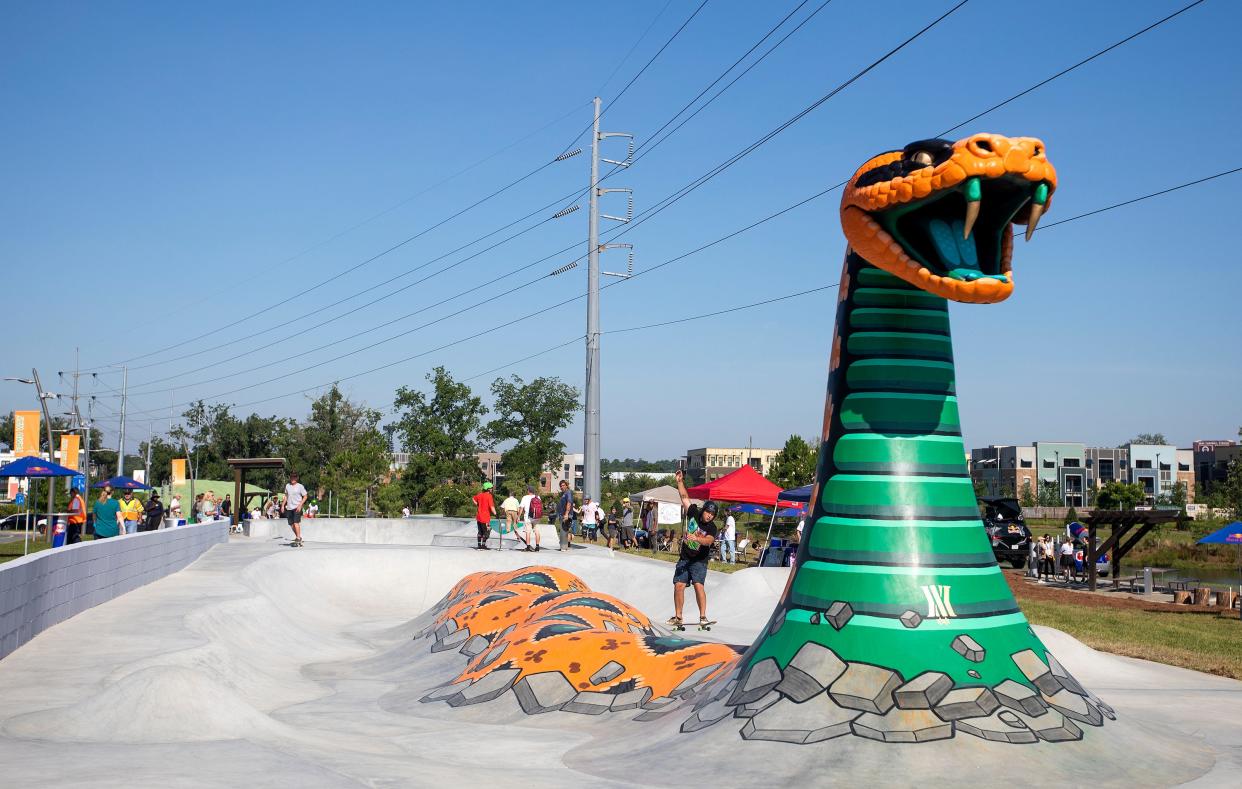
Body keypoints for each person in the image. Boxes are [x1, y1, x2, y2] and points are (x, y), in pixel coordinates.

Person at [670, 470, 718, 628]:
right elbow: (684, 497)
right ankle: (678, 617)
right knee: (679, 585)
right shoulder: (694, 513)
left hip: (699, 561)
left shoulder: (712, 527)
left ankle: (703, 617)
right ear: (703, 511)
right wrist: (679, 482)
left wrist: (696, 538)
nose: (709, 516)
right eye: (708, 512)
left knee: (698, 585)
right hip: (685, 558)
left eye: (712, 514)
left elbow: (709, 541)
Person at [284, 472, 308, 547]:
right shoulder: (287, 486)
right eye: (291, 477)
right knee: (291, 524)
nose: (293, 479)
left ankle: (297, 538)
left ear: (296, 478)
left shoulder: (300, 486)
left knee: (295, 522)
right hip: (289, 507)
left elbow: (305, 496)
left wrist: (300, 505)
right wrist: (282, 505)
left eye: (294, 477)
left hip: (297, 507)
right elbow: (286, 496)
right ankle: (299, 537)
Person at [472, 482, 496, 550]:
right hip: (485, 517)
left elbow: (473, 499)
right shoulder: (489, 496)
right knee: (486, 532)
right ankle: (483, 545)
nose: (492, 489)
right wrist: (495, 513)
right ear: (488, 489)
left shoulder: (479, 495)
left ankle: (479, 545)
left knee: (480, 531)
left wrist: (477, 504)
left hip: (479, 517)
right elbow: (492, 506)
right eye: (491, 488)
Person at [518, 485, 540, 552]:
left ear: (528, 491)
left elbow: (521, 508)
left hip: (528, 518)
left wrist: (518, 516)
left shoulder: (525, 497)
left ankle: (528, 546)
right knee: (537, 532)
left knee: (528, 532)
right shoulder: (538, 497)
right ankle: (537, 546)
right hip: (536, 517)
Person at [556, 480, 574, 551]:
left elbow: (569, 503)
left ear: (566, 485)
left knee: (564, 530)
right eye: (561, 486)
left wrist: (566, 514)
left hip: (566, 515)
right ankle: (564, 546)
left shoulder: (568, 492)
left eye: (563, 485)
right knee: (564, 531)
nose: (562, 487)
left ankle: (563, 547)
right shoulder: (564, 494)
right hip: (562, 515)